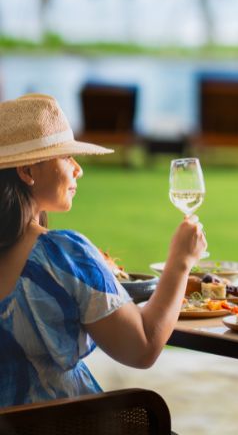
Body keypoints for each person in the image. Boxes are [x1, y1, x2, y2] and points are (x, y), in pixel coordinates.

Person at [0, 93, 207, 407]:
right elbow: (143, 347)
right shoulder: (63, 255)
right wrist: (181, 261)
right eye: (66, 156)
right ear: (27, 172)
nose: (77, 169)